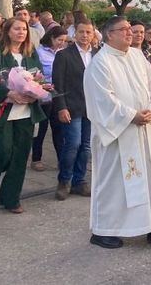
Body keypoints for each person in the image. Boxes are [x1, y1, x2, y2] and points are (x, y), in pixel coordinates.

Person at [83, 15, 151, 249]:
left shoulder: (137, 55)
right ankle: (104, 229)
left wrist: (150, 111)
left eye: (129, 29)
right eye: (123, 29)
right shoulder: (101, 62)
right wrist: (130, 115)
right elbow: (102, 99)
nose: (129, 32)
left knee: (146, 179)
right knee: (114, 182)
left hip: (141, 130)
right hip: (117, 132)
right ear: (109, 34)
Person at [0, 18, 47, 213]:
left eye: (24, 29)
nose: (21, 32)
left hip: (25, 112)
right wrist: (8, 93)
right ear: (7, 31)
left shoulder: (31, 53)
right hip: (1, 110)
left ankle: (11, 199)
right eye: (17, 28)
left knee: (21, 156)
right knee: (2, 153)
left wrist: (37, 91)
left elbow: (40, 77)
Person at [51, 20, 96, 201]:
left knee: (86, 146)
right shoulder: (64, 55)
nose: (85, 35)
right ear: (74, 34)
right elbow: (57, 83)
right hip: (72, 106)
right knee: (72, 144)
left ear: (93, 34)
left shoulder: (98, 54)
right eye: (81, 32)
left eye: (88, 32)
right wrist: (61, 107)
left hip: (92, 108)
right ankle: (64, 180)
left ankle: (80, 180)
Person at [30, 25, 68, 171]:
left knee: (59, 129)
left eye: (64, 40)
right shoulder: (39, 52)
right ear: (51, 38)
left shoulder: (63, 53)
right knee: (41, 128)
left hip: (59, 96)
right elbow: (35, 73)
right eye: (59, 39)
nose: (61, 43)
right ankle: (36, 158)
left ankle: (61, 159)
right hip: (44, 96)